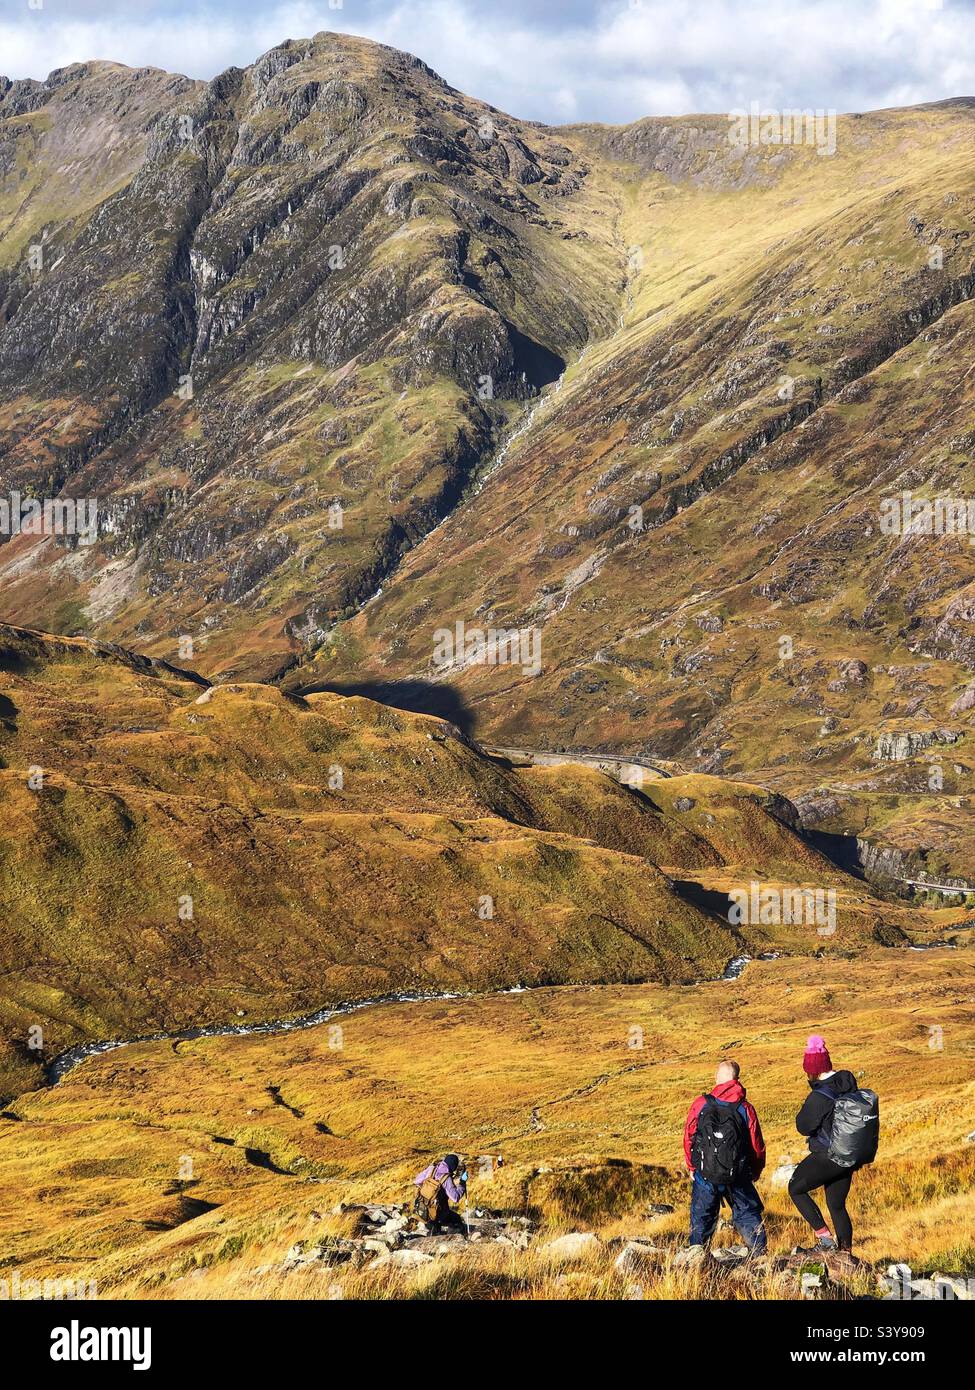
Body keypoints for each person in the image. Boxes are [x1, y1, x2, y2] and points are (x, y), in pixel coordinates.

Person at [788, 1034, 873, 1255]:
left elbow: (803, 1126)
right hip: (848, 1154)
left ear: (812, 1070)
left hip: (828, 1155)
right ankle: (846, 1254)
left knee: (795, 1188)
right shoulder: (846, 1086)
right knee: (836, 1204)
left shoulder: (820, 1095)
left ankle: (825, 1239)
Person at [682, 1059, 767, 1257]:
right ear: (736, 1079)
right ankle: (760, 1260)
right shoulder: (745, 1109)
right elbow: (757, 1146)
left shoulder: (701, 1104)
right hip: (738, 1176)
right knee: (748, 1216)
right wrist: (755, 1171)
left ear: (718, 1077)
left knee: (701, 1219)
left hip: (706, 1174)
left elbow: (689, 1136)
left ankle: (695, 1260)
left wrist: (692, 1166)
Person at [413, 1154, 468, 1233]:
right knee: (456, 1219)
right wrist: (462, 1183)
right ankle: (453, 1239)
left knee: (436, 1227)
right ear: (453, 1167)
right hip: (438, 1214)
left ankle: (434, 1232)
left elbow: (416, 1181)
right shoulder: (446, 1178)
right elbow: (455, 1198)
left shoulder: (431, 1169)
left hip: (422, 1210)